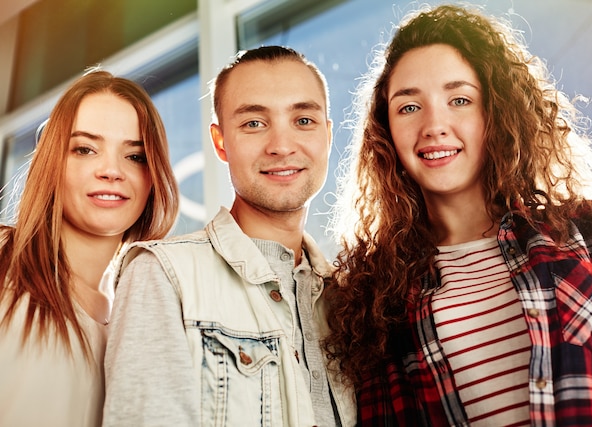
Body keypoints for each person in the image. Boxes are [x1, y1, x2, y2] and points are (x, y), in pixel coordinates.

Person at [323, 4, 592, 427]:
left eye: (459, 99)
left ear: (496, 112)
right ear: (385, 129)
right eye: (409, 107)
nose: (434, 125)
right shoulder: (374, 303)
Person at [103, 46, 356, 426]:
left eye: (303, 120)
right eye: (254, 123)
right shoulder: (164, 275)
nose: (282, 146)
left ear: (328, 134)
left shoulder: (349, 298)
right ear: (221, 143)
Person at [0, 69, 179, 427]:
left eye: (135, 156)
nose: (111, 171)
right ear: (54, 161)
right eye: (85, 149)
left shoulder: (145, 321)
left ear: (153, 178)